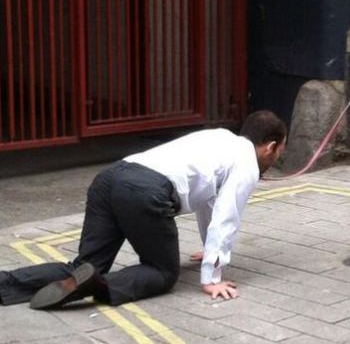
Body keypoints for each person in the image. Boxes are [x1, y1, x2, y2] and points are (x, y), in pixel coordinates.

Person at [0, 110, 287, 309]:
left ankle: (7, 284)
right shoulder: (247, 163)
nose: (276, 158)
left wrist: (210, 252)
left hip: (110, 178)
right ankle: (97, 287)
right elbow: (226, 216)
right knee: (162, 272)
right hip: (145, 191)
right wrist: (212, 278)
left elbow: (209, 203)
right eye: (280, 151)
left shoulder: (220, 138)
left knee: (83, 265)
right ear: (270, 147)